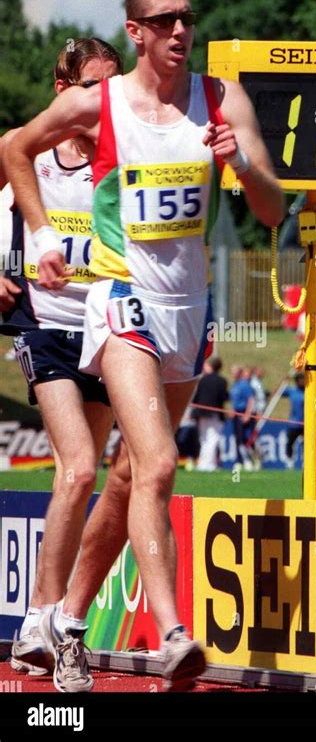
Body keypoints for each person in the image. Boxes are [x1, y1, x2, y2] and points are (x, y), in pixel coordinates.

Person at [6, 0, 285, 691]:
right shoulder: (96, 104)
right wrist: (38, 235)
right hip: (116, 297)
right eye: (164, 21)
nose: (180, 31)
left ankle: (63, 617)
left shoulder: (222, 99)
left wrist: (240, 162)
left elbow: (274, 211)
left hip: (189, 308)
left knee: (130, 474)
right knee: (156, 462)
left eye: (187, 18)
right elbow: (13, 145)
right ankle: (172, 632)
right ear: (135, 32)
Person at [0, 39, 132, 687]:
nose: (99, 101)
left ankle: (56, 628)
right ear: (61, 87)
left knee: (85, 475)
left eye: (111, 87)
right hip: (44, 326)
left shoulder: (125, 156)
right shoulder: (25, 148)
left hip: (105, 329)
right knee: (79, 468)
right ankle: (43, 618)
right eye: (88, 87)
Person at [192, 356, 228, 471]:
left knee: (204, 438)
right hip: (214, 413)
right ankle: (209, 464)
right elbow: (223, 397)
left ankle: (203, 463)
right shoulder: (222, 381)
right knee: (213, 438)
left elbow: (196, 397)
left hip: (201, 412)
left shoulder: (202, 379)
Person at [230, 365, 256, 470]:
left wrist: (247, 414)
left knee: (244, 438)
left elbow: (251, 400)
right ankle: (240, 460)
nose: (232, 374)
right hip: (237, 413)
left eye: (234, 372)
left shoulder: (244, 385)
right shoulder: (235, 385)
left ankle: (248, 460)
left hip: (243, 413)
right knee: (238, 438)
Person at [282, 372, 305, 468]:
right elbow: (279, 392)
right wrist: (285, 381)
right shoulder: (292, 391)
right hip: (294, 423)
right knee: (290, 443)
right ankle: (290, 461)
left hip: (306, 423)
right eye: (301, 380)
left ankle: (306, 462)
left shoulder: (309, 391)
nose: (303, 382)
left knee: (307, 444)